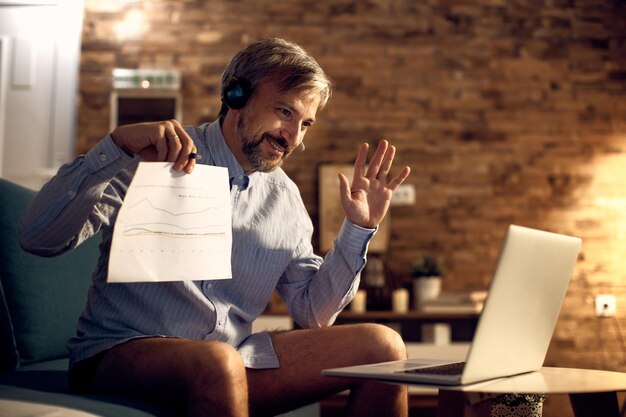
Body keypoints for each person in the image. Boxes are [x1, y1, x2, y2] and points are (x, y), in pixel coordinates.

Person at [20, 38, 411, 417]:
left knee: (384, 345)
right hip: (120, 353)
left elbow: (313, 312)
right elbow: (38, 238)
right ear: (235, 96)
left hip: (232, 359)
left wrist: (359, 228)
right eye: (285, 112)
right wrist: (117, 147)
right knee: (217, 362)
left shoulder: (285, 199)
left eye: (305, 123)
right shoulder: (154, 155)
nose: (293, 138)